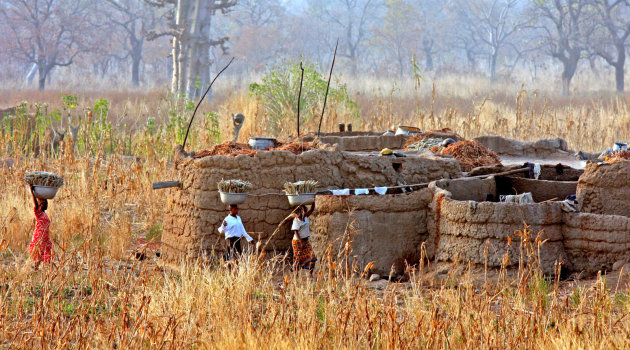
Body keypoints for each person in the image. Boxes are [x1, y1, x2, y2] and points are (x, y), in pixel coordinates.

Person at [29, 186, 52, 269]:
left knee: (48, 253)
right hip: (39, 237)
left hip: (45, 238)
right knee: (39, 255)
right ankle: (35, 269)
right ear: (39, 205)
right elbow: (35, 203)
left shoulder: (44, 214)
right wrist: (32, 192)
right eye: (43, 203)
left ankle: (48, 269)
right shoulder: (38, 213)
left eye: (46, 203)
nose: (46, 205)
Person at [291, 203, 317, 273]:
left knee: (312, 257)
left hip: (305, 241)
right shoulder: (296, 220)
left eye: (305, 210)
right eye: (304, 211)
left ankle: (310, 275)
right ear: (300, 211)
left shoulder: (305, 217)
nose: (305, 212)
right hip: (297, 242)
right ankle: (295, 275)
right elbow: (295, 232)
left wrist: (313, 200)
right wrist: (301, 242)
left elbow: (312, 209)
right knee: (298, 259)